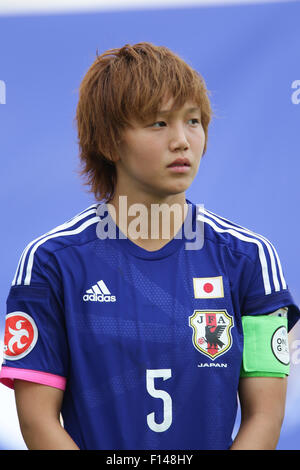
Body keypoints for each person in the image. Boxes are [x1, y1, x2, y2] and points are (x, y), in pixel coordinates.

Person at [0, 42, 299, 451]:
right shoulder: (51, 262)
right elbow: (37, 422)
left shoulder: (250, 257)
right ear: (108, 142)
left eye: (193, 121)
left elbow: (265, 417)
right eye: (158, 124)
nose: (182, 141)